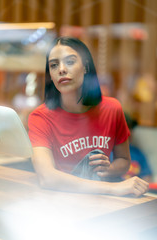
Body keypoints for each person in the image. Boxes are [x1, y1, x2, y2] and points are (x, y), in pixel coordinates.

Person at [28, 36, 149, 197]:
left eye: (70, 62)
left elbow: (124, 161)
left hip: (103, 202)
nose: (61, 69)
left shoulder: (112, 108)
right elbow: (47, 178)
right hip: (61, 202)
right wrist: (114, 188)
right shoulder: (40, 117)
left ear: (85, 67)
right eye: (54, 65)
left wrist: (108, 170)